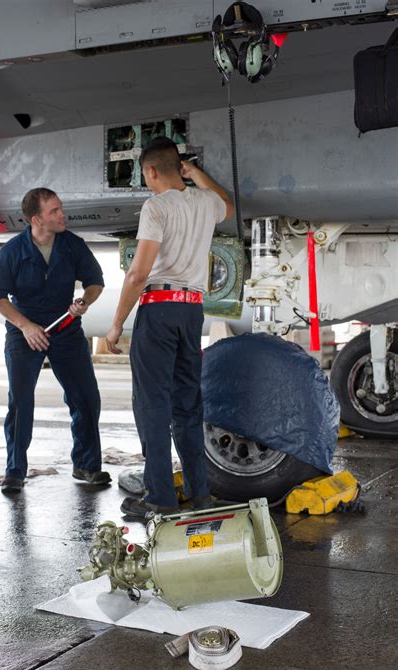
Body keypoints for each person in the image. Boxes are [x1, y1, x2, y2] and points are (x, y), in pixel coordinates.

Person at [106, 137, 234, 519]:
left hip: (159, 310)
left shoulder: (156, 206)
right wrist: (198, 175)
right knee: (188, 405)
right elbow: (227, 205)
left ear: (149, 171)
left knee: (153, 405)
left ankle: (159, 497)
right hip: (192, 312)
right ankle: (200, 494)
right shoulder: (204, 202)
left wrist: (115, 326)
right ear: (179, 167)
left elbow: (138, 272)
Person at [0, 187, 110, 493]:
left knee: (85, 397)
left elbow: (96, 282)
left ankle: (86, 465)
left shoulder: (72, 245)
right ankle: (15, 470)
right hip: (23, 330)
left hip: (64, 327)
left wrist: (85, 302)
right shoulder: (12, 251)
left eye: (60, 208)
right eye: (54, 211)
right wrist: (26, 326)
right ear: (36, 219)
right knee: (21, 401)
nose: (62, 214)